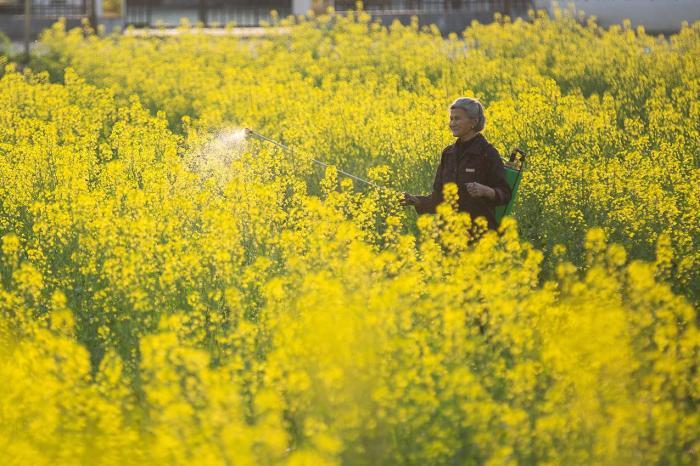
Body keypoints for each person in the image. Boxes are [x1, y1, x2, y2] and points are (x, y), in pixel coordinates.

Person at [402, 97, 511, 230]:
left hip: (480, 232)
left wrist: (486, 191)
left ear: (474, 122)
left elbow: (505, 194)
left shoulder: (487, 153)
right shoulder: (448, 154)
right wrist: (418, 201)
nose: (452, 123)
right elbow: (439, 197)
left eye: (457, 118)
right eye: (451, 118)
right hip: (450, 232)